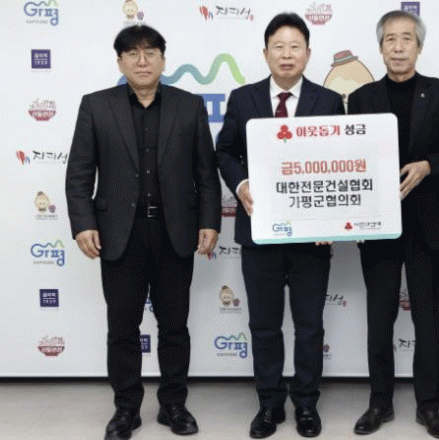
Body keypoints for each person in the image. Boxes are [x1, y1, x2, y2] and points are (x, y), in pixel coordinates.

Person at [65, 25, 221, 440]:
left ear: (163, 60)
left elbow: (206, 173)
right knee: (122, 328)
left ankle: (173, 405)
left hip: (175, 232)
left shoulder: (188, 106)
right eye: (132, 54)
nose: (142, 60)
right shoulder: (96, 106)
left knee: (174, 326)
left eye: (150, 52)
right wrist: (83, 224)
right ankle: (126, 409)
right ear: (120, 62)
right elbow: (79, 173)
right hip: (120, 234)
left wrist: (210, 220)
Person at [215, 12, 344, 439]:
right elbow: (225, 152)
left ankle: (306, 404)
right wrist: (241, 183)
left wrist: (332, 218)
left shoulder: (328, 102)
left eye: (295, 47)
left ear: (308, 53)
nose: (286, 55)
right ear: (266, 52)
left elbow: (339, 163)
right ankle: (269, 404)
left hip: (312, 236)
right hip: (259, 233)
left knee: (310, 327)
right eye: (278, 47)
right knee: (264, 326)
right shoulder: (243, 98)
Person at [347, 10, 439, 439]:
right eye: (390, 40)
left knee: (427, 321)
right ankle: (379, 403)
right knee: (379, 319)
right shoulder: (361, 98)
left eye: (406, 39)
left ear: (419, 46)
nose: (398, 47)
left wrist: (428, 165)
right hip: (378, 225)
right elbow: (351, 162)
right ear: (380, 48)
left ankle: (429, 406)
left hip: (430, 225)